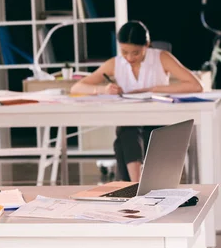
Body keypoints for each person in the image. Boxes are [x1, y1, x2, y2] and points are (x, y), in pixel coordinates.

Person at [70, 20, 202, 182]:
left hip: (159, 124)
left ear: (147, 45)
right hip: (130, 124)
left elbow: (195, 85)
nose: (130, 57)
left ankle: (133, 186)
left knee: (122, 143)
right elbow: (77, 88)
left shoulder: (161, 58)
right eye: (124, 52)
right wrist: (103, 90)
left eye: (136, 52)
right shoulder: (115, 63)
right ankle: (137, 184)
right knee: (128, 131)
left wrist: (153, 89)